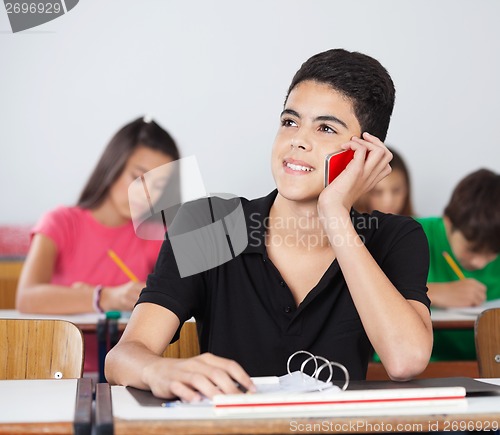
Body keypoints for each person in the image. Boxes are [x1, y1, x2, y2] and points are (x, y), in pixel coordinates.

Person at [105, 49, 433, 402]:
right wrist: (159, 369)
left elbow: (405, 360)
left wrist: (336, 213)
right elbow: (122, 357)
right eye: (290, 121)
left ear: (367, 153)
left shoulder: (395, 237)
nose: (297, 140)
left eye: (325, 128)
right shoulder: (208, 225)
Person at [16, 116, 180, 371]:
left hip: (127, 374)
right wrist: (104, 296)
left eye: (159, 185)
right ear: (113, 167)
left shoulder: (158, 235)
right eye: (138, 177)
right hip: (57, 369)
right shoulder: (60, 222)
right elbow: (27, 298)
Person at [416, 168, 500, 361]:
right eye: (472, 249)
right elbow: (363, 291)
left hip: (485, 366)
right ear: (448, 222)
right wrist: (434, 292)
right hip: (420, 366)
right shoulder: (411, 235)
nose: (479, 262)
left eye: (493, 252)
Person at [354, 146, 415, 216]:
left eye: (396, 190)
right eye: (377, 192)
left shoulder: (424, 225)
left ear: (407, 188)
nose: (388, 201)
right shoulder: (345, 224)